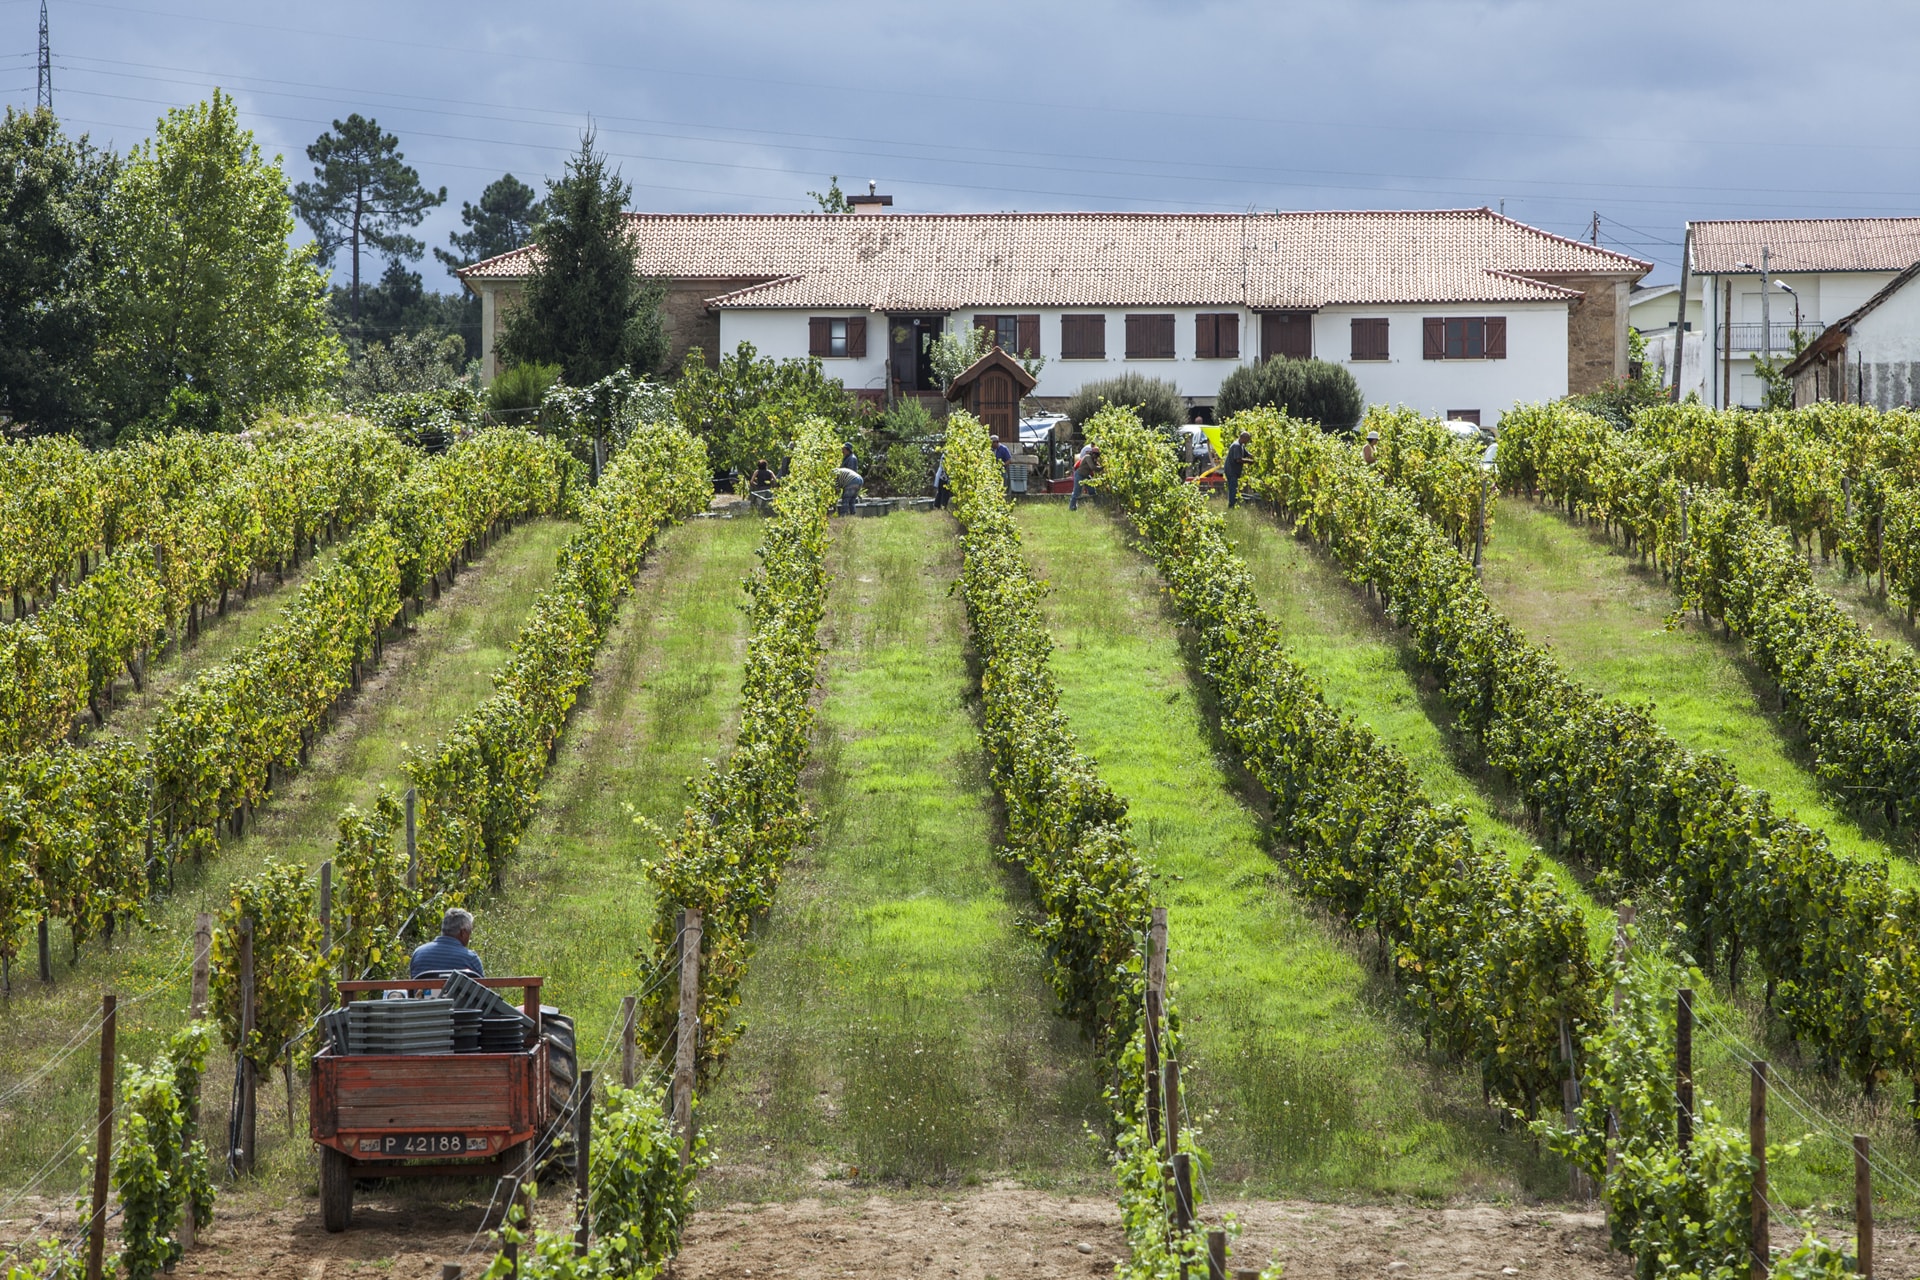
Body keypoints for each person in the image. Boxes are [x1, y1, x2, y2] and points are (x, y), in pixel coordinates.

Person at [410, 907, 484, 979]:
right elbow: (483, 989)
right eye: (469, 932)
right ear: (463, 933)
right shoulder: (470, 959)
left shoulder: (418, 954)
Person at [1223, 430, 1250, 509]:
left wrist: (1253, 457)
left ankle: (1232, 504)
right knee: (1233, 488)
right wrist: (1249, 461)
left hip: (1233, 470)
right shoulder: (1237, 445)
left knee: (1233, 487)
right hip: (1231, 470)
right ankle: (1231, 506)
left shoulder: (1241, 445)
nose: (1248, 441)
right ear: (1243, 438)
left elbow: (1246, 454)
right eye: (1247, 439)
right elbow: (1238, 459)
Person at [1068, 443, 1099, 511]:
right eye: (1095, 454)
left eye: (1097, 455)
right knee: (1077, 492)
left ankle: (1097, 506)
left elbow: (1097, 466)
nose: (1096, 456)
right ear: (1092, 453)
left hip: (1086, 476)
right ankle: (1072, 507)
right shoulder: (1087, 457)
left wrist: (1100, 466)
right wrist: (1101, 468)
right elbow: (1093, 467)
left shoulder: (1094, 459)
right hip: (1079, 475)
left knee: (1092, 490)